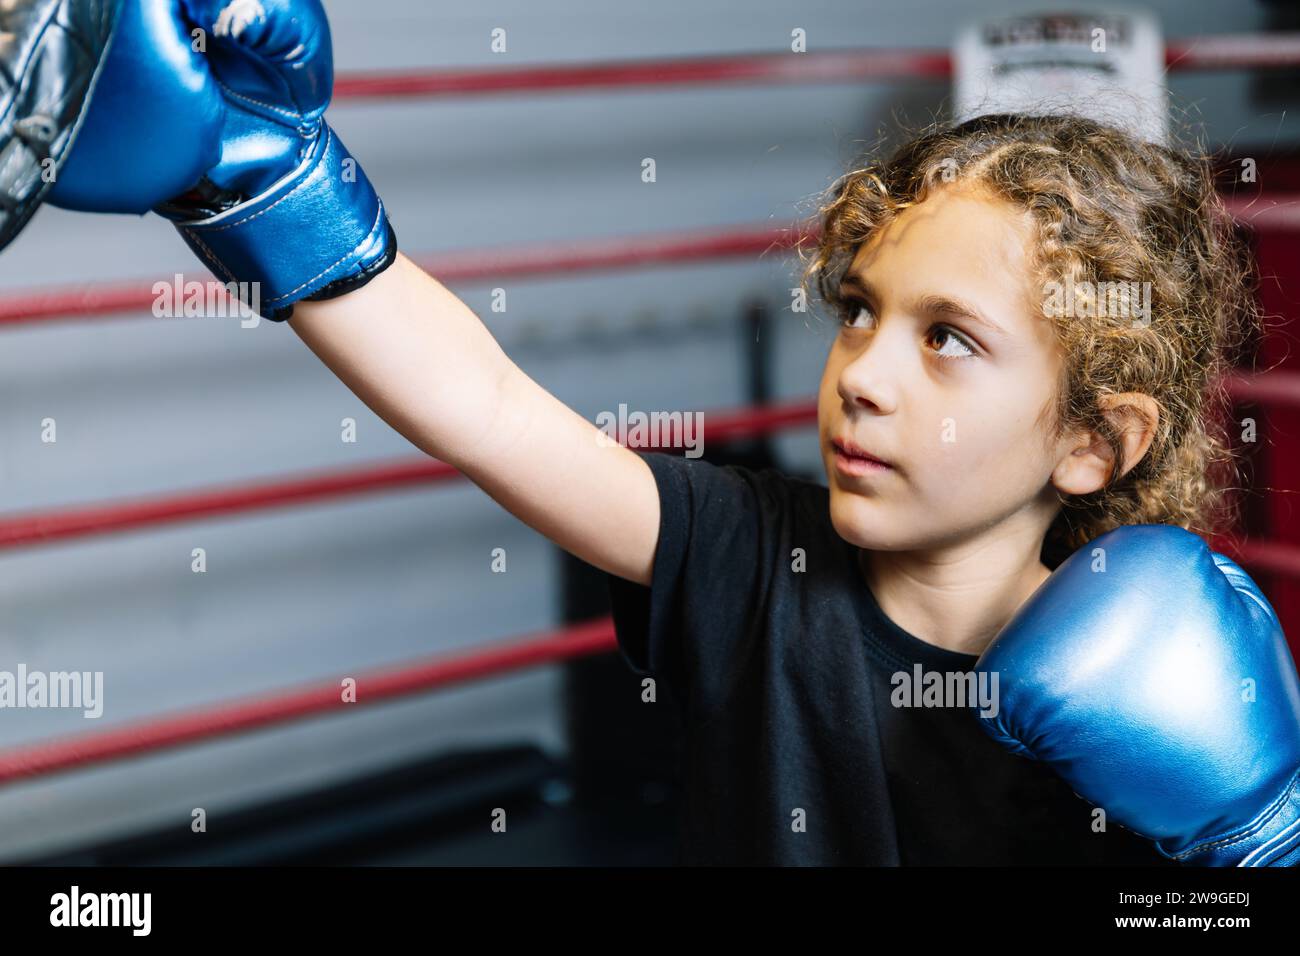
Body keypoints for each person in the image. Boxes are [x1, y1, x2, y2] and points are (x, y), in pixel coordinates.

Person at [21, 1, 1300, 865]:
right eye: (860, 313)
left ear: (1093, 440)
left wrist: (1252, 847)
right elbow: (485, 406)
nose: (862, 375)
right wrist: (265, 179)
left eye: (947, 338)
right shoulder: (753, 557)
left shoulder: (1156, 680)